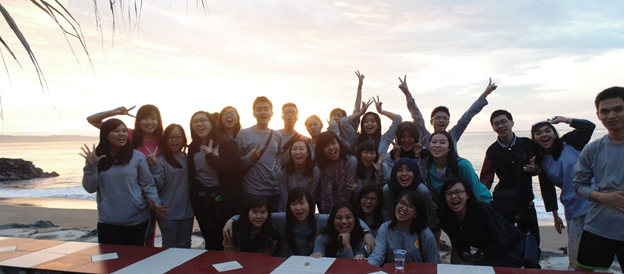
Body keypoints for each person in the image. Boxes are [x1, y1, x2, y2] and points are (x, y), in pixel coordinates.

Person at [80, 118, 168, 246]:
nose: (122, 134)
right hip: (108, 221)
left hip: (137, 220)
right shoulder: (98, 158)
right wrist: (90, 166)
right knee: (110, 262)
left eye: (124, 131)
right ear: (106, 134)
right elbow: (90, 188)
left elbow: (147, 184)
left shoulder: (137, 157)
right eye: (116, 131)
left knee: (134, 260)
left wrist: (156, 203)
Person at [223, 187, 375, 258]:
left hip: (310, 265)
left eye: (302, 203)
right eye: (294, 204)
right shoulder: (282, 219)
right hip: (284, 266)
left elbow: (345, 217)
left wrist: (366, 232)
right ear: (289, 206)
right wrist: (232, 220)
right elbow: (259, 214)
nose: (299, 208)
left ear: (310, 204)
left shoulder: (319, 220)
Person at [531, 116, 595, 270]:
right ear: (534, 138)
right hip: (572, 205)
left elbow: (589, 127)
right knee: (576, 247)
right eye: (539, 133)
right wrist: (555, 216)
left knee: (598, 243)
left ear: (555, 133)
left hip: (595, 199)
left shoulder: (570, 142)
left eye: (548, 131)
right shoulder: (541, 160)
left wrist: (564, 120)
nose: (544, 135)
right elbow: (547, 190)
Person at [573, 86, 624, 272]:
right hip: (598, 227)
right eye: (605, 111)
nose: (611, 116)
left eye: (618, 109)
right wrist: (605, 198)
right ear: (598, 115)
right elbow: (579, 185)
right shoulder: (593, 149)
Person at [480, 109, 541, 247]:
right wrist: (481, 201)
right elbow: (486, 179)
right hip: (504, 202)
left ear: (511, 122)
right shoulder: (492, 150)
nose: (501, 126)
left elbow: (540, 167)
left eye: (503, 122)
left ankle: (531, 267)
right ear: (493, 128)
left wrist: (534, 169)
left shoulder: (526, 144)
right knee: (506, 239)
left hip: (526, 200)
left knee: (532, 239)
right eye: (496, 124)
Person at [438, 178, 525, 267]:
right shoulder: (447, 218)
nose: (453, 196)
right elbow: (458, 242)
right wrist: (464, 253)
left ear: (467, 195)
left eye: (458, 192)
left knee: (479, 267)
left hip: (516, 246)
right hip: (493, 250)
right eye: (449, 193)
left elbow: (501, 240)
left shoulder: (482, 210)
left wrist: (480, 254)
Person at [399, 76, 497, 150]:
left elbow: (467, 116)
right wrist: (407, 94)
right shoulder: (426, 137)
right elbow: (417, 117)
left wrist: (485, 94)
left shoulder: (453, 135)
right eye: (438, 117)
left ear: (448, 122)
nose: (441, 120)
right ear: (431, 121)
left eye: (445, 118)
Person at [148, 124, 194, 248]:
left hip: (187, 211)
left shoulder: (188, 158)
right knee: (169, 246)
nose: (174, 141)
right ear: (165, 139)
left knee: (185, 246)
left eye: (178, 137)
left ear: (184, 139)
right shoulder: (161, 159)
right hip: (167, 211)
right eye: (171, 137)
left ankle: (184, 268)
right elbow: (158, 185)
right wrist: (154, 166)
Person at [236, 96, 283, 212]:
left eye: (266, 109)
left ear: (271, 113)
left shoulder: (277, 135)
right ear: (254, 113)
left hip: (273, 191)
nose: (263, 112)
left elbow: (278, 156)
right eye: (259, 109)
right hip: (251, 191)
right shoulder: (243, 134)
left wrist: (276, 168)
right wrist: (249, 158)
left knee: (272, 225)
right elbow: (235, 165)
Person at [368, 190, 438, 266]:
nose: (404, 208)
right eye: (402, 203)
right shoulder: (386, 228)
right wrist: (368, 269)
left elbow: (432, 264)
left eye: (410, 206)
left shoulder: (425, 234)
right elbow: (377, 256)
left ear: (416, 214)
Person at [187, 111, 224, 250]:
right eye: (195, 121)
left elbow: (231, 170)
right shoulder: (192, 148)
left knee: (222, 235)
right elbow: (192, 174)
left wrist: (210, 156)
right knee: (208, 236)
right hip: (202, 199)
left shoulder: (223, 144)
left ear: (211, 123)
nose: (199, 124)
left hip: (220, 197)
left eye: (203, 120)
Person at [425, 131, 491, 204]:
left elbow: (474, 190)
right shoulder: (429, 168)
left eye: (442, 142)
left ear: (449, 148)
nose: (437, 145)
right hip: (454, 206)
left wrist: (477, 211)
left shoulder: (462, 165)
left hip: (481, 202)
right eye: (434, 142)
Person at [315, 131, 357, 213]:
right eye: (326, 146)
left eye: (334, 143)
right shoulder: (319, 165)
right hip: (325, 210)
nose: (331, 147)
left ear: (339, 143)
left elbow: (347, 190)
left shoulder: (351, 161)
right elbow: (317, 193)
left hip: (348, 207)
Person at [277, 139, 320, 212]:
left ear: (308, 153)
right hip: (286, 210)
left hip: (307, 210)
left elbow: (311, 194)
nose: (297, 152)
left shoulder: (314, 170)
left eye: (301, 149)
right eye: (294, 149)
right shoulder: (283, 170)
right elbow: (284, 195)